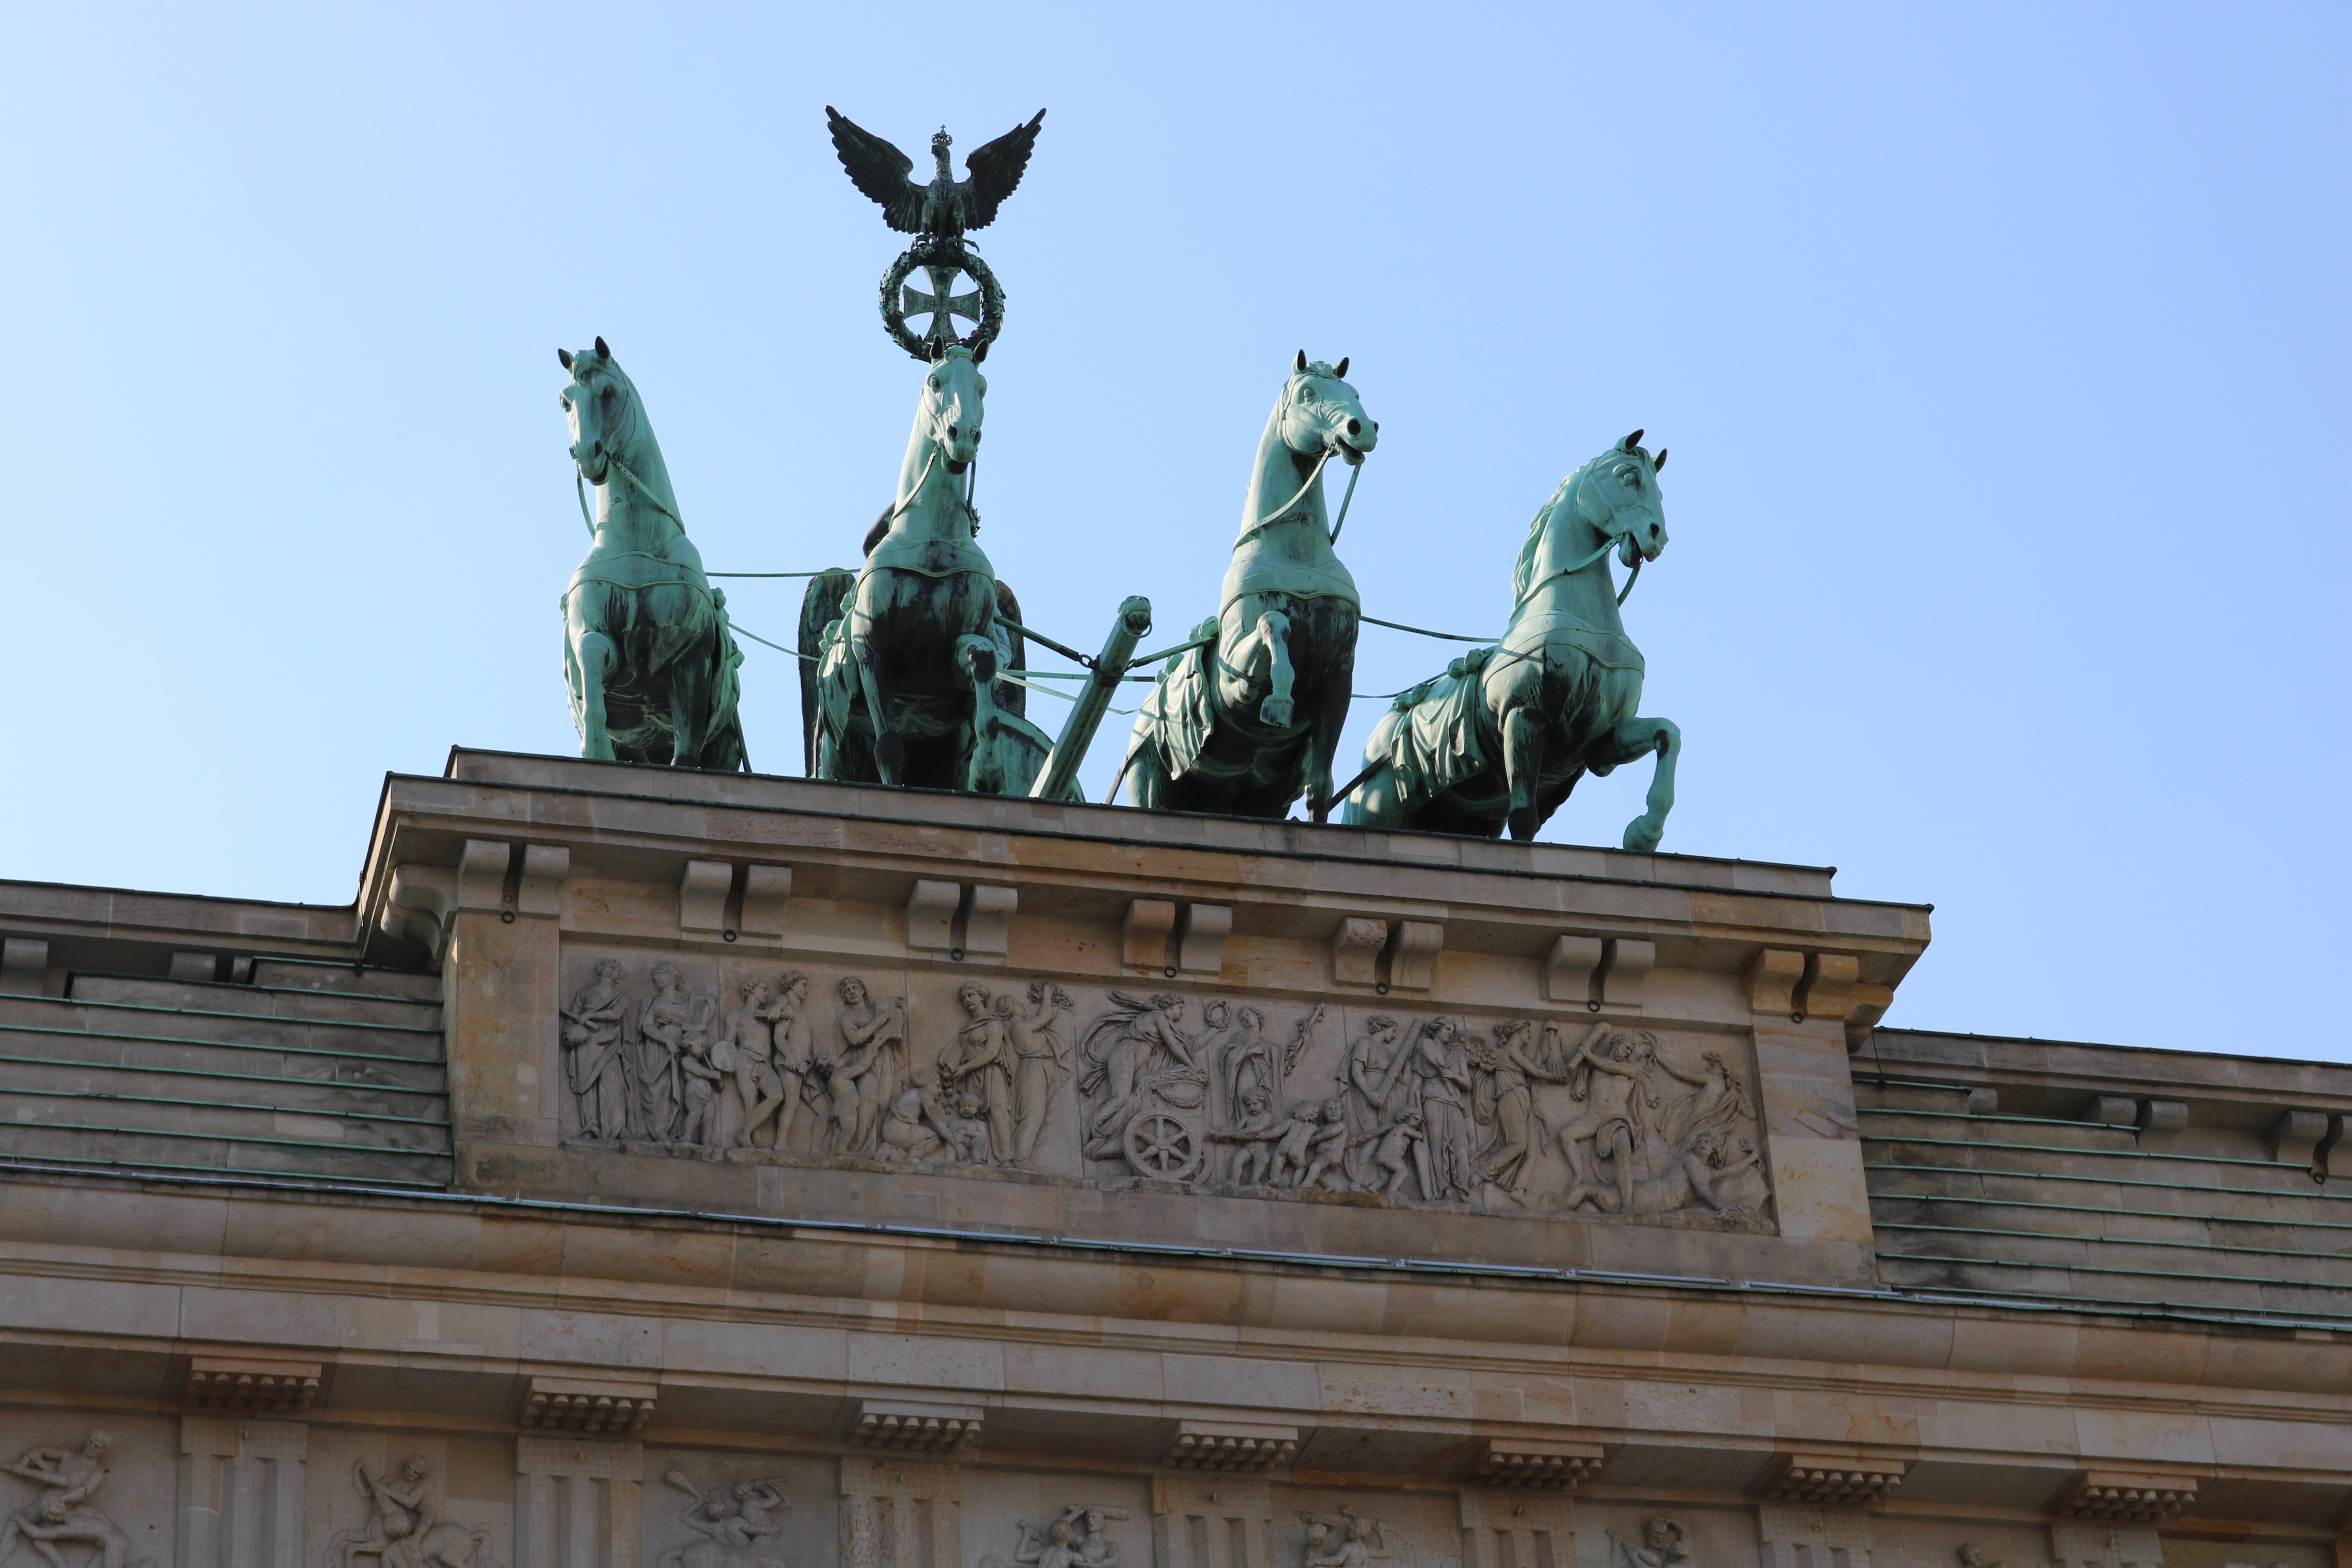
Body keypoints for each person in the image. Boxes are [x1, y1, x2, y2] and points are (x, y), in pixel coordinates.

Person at [0, 1432, 142, 1568]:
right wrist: (23, 1463)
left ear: (103, 1451)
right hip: (45, 1503)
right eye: (92, 1442)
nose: (92, 1447)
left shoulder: (95, 1473)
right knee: (14, 1527)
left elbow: (83, 1491)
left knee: (41, 1542)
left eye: (97, 1446)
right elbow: (40, 1451)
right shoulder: (68, 1456)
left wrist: (61, 1500)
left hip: (59, 1509)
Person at [940, 982, 1013, 1163]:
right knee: (973, 1113)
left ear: (982, 997)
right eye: (964, 998)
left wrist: (965, 1067)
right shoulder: (966, 1028)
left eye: (971, 995)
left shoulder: (993, 1023)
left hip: (991, 1071)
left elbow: (991, 1052)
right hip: (971, 1075)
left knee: (997, 1108)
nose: (967, 1000)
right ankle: (978, 1158)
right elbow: (961, 1052)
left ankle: (1006, 1159)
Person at [835, 977, 910, 1154]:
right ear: (844, 998)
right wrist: (878, 1022)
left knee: (883, 1104)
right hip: (863, 1060)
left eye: (855, 988)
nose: (852, 992)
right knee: (869, 1100)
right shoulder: (848, 1017)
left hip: (884, 1059)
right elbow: (855, 1039)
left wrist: (902, 1013)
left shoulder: (879, 1010)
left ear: (863, 991)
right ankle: (856, 1144)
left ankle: (875, 1146)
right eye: (847, 991)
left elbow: (894, 1030)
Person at [560, 960, 631, 1139]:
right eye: (610, 966)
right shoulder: (584, 993)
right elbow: (571, 1019)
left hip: (609, 1040)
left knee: (613, 1080)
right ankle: (591, 1127)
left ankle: (617, 1128)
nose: (613, 969)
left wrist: (590, 1015)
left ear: (619, 977)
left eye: (617, 969)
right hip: (586, 1042)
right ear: (600, 969)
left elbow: (615, 1014)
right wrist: (571, 1035)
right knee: (587, 1085)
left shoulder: (620, 996)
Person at [1006, 982, 1074, 1164]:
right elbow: (1045, 1016)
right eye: (1019, 1005)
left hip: (1041, 1069)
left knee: (1042, 1115)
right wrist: (1046, 993)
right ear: (1012, 1011)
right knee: (1033, 1114)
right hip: (1033, 1070)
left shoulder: (1024, 1026)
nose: (1023, 1006)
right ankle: (1021, 1158)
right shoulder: (1018, 1028)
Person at [1338, 1016, 1408, 1189]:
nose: (1394, 1036)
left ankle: (1376, 1181)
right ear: (1384, 1028)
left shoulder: (1389, 1053)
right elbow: (1356, 1072)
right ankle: (1357, 1179)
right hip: (1365, 1094)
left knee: (1384, 1139)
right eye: (1393, 1031)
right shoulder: (1365, 1043)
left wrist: (1408, 1057)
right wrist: (1369, 1094)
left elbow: (1406, 1080)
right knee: (1371, 1137)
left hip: (1386, 1097)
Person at [636, 962, 693, 1142]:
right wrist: (667, 1041)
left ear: (672, 977)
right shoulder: (652, 1002)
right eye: (655, 975)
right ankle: (659, 1132)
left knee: (679, 1088)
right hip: (658, 1047)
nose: (656, 978)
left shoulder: (687, 1002)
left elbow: (697, 1026)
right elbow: (646, 1026)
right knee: (659, 1088)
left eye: (660, 974)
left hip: (681, 1047)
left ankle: (675, 1131)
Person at [1206, 1088, 1282, 1186]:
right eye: (1248, 1105)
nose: (1252, 1107)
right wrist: (1227, 1132)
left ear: (1263, 1103)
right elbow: (1237, 1129)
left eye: (1255, 1104)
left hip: (1260, 1148)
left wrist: (1243, 1132)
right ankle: (1234, 1180)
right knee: (1238, 1159)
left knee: (1263, 1159)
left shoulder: (1266, 1116)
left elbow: (1260, 1127)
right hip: (1247, 1148)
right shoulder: (1247, 1118)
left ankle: (1255, 1179)